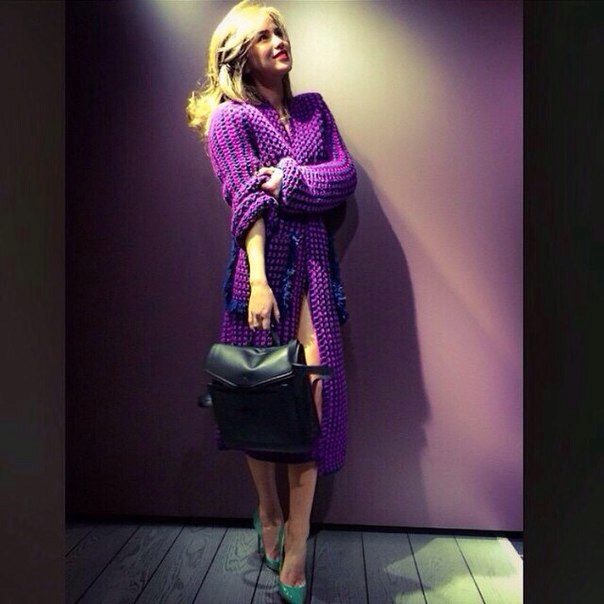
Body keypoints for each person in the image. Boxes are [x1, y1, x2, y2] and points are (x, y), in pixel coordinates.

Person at [186, 1, 357, 601]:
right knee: (259, 399)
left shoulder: (314, 110)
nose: (278, 40)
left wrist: (289, 180)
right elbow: (247, 203)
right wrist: (258, 279)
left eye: (279, 30)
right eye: (262, 36)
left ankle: (299, 543)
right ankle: (270, 511)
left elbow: (343, 176)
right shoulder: (229, 119)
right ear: (239, 55)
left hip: (316, 271)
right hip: (262, 275)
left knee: (311, 399)